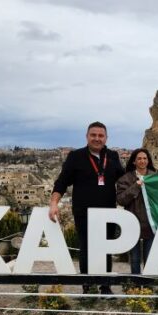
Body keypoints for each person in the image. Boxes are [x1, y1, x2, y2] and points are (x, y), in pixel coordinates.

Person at [49, 121, 125, 293]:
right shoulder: (75, 156)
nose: (97, 138)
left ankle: (105, 285)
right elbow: (62, 182)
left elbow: (123, 179)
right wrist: (54, 203)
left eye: (100, 135)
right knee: (86, 249)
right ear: (87, 137)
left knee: (106, 249)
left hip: (108, 212)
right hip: (84, 212)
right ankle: (87, 285)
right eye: (93, 135)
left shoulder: (112, 156)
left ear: (106, 138)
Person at [116, 148, 157, 275]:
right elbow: (121, 200)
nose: (142, 161)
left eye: (145, 158)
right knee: (134, 259)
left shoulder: (155, 177)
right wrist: (136, 186)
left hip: (150, 224)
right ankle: (135, 287)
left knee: (150, 259)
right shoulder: (125, 179)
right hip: (133, 223)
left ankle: (148, 287)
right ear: (134, 161)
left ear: (148, 160)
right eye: (139, 158)